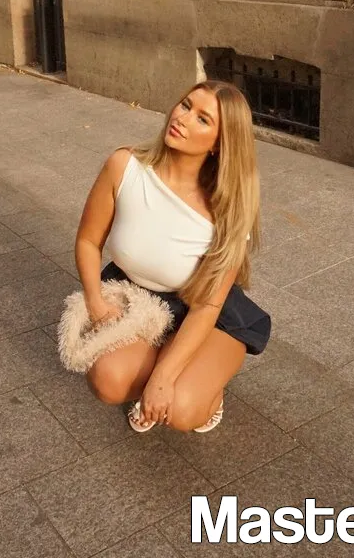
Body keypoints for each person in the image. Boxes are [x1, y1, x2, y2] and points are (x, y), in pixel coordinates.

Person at [73, 80, 271, 434]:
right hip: (137, 299)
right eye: (185, 105)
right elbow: (88, 240)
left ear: (219, 145)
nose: (182, 118)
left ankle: (206, 390)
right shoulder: (124, 166)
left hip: (204, 311)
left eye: (203, 119)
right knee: (108, 380)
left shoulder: (227, 209)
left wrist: (162, 379)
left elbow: (207, 306)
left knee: (181, 409)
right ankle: (167, 365)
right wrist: (95, 302)